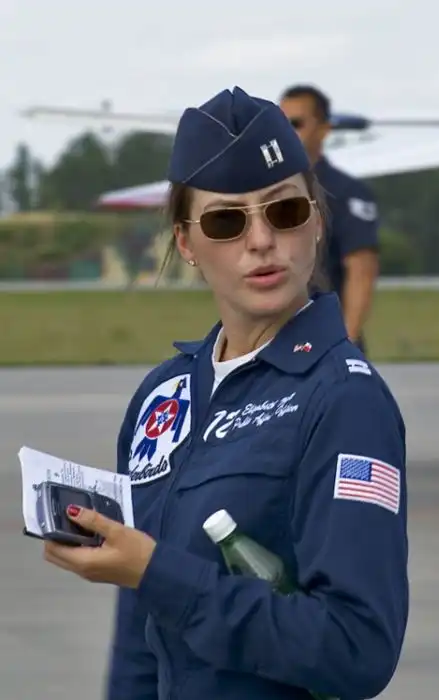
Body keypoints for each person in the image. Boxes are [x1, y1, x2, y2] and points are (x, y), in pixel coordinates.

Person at [43, 86, 409, 700]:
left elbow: (357, 648)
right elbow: (139, 634)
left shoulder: (346, 400)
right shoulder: (163, 397)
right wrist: (150, 579)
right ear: (187, 243)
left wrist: (161, 575)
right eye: (226, 220)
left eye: (284, 211)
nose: (261, 240)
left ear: (317, 221)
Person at [279, 84, 380, 353]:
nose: (286, 133)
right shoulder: (262, 192)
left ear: (324, 129)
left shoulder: (347, 193)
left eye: (296, 124)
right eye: (280, 124)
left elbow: (362, 270)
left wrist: (346, 344)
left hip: (326, 340)